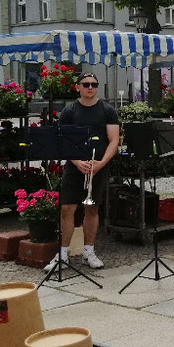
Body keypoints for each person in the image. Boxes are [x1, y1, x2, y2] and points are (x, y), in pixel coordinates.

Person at [44, 72, 119, 272]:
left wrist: (101, 163)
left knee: (92, 208)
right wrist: (77, 162)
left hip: (97, 165)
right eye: (86, 84)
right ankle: (63, 254)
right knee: (67, 208)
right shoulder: (69, 111)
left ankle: (89, 251)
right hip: (75, 165)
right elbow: (62, 140)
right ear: (78, 87)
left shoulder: (107, 110)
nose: (90, 87)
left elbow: (114, 140)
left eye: (94, 84)